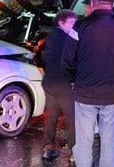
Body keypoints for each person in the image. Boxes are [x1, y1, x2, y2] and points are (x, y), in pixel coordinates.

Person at [62, 0, 114, 167]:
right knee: (110, 141)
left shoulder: (80, 27)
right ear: (112, 4)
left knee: (83, 141)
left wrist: (73, 80)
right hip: (112, 94)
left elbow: (67, 59)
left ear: (94, 2)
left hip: (84, 93)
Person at [41, 9, 78, 162]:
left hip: (49, 82)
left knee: (51, 116)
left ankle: (47, 149)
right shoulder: (67, 39)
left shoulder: (51, 36)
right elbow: (71, 62)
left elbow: (45, 58)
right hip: (64, 84)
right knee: (72, 118)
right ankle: (74, 153)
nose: (74, 26)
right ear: (61, 22)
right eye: (72, 23)